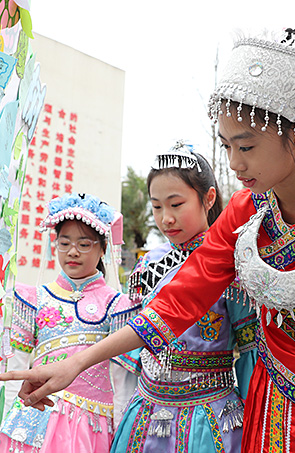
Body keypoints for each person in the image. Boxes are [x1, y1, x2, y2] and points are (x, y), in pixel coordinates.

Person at [0, 28, 295, 452]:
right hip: (271, 408)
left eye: (246, 145)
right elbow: (179, 301)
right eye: (227, 146)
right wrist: (77, 363)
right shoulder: (246, 212)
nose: (234, 162)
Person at [110, 141, 258, 452]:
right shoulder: (147, 265)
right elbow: (131, 356)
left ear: (209, 198)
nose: (166, 218)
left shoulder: (230, 264)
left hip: (210, 419)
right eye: (157, 206)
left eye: (176, 205)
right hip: (146, 414)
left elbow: (249, 352)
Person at [0, 193, 140, 453]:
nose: (73, 252)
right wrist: (2, 426)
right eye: (64, 243)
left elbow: (122, 385)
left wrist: (122, 438)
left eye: (84, 244)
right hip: (32, 422)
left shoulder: (118, 306)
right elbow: (15, 371)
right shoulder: (33, 299)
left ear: (102, 248)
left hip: (90, 429)